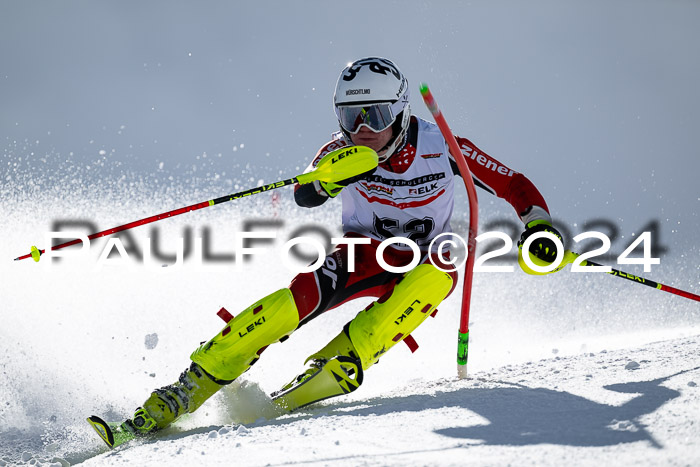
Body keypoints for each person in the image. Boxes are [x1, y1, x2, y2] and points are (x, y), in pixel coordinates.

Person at [89, 56, 564, 447]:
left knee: (440, 272)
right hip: (363, 251)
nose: (362, 129)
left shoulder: (444, 147)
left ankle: (342, 361)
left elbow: (513, 184)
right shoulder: (340, 152)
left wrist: (538, 225)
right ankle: (189, 384)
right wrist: (331, 178)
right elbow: (307, 193)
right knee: (293, 301)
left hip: (424, 255)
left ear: (399, 112)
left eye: (374, 117)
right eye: (349, 117)